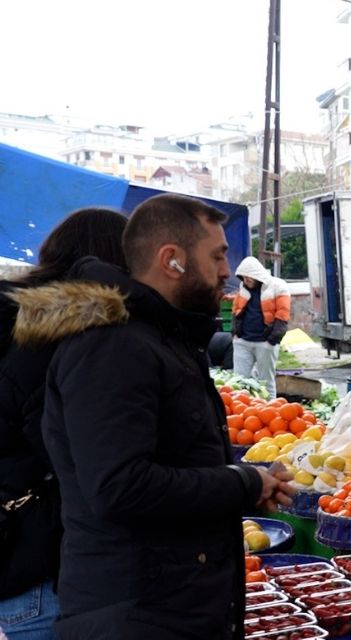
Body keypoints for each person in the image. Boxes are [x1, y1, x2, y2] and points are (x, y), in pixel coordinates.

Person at [38, 194, 295, 639]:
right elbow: (120, 486)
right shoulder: (114, 346)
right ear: (171, 260)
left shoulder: (161, 338)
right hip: (137, 614)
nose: (225, 271)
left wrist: (245, 479)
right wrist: (242, 482)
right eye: (217, 256)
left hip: (166, 605)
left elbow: (174, 462)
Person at [0, 208, 129, 640]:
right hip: (46, 566)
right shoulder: (56, 338)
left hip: (17, 555)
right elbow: (74, 456)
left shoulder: (14, 322)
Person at [230, 256, 291, 398]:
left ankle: (271, 412)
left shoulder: (278, 286)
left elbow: (283, 315)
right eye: (243, 277)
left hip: (265, 343)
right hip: (243, 342)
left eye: (248, 277)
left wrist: (272, 341)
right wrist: (235, 334)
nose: (246, 280)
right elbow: (236, 310)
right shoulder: (243, 288)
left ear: (256, 274)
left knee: (266, 382)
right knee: (239, 382)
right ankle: (243, 415)